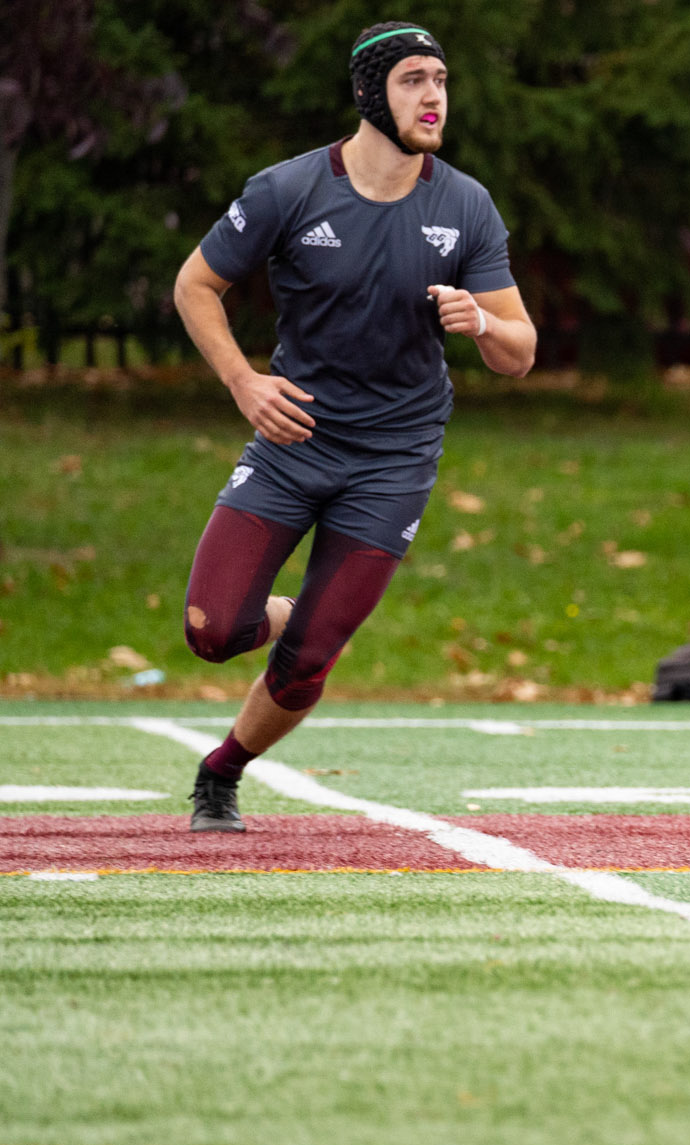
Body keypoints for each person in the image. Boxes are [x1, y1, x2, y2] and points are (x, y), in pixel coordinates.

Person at [173, 21, 536, 831]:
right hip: (292, 441)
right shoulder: (287, 190)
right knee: (212, 629)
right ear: (371, 93)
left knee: (306, 664)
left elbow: (521, 352)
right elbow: (195, 286)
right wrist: (242, 381)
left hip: (394, 460)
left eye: (441, 79)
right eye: (413, 79)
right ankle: (293, 612)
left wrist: (480, 321)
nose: (434, 95)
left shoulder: (466, 203)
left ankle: (221, 771)